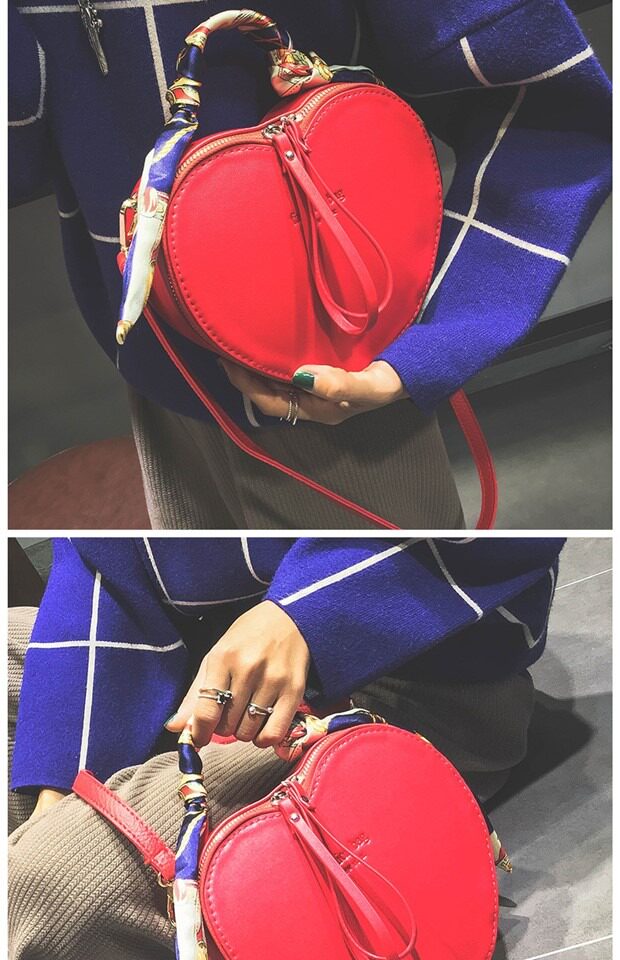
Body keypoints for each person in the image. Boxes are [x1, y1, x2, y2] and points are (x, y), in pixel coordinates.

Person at [8, 1, 611, 529]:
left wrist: (437, 338)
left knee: (402, 590)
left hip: (336, 367)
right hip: (157, 361)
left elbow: (541, 107)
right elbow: (22, 155)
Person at [9, 536, 564, 959]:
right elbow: (102, 567)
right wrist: (61, 774)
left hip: (408, 666)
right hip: (212, 651)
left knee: (47, 885)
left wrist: (305, 613)